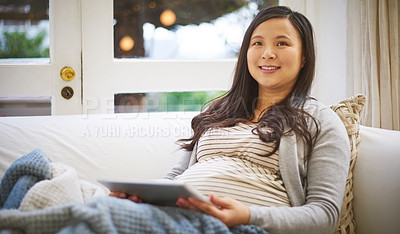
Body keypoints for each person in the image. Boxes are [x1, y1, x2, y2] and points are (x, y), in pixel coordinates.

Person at [110, 5, 350, 234]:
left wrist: (248, 215)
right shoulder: (218, 111)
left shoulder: (320, 121)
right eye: (257, 43)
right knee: (104, 207)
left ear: (304, 57)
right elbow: (175, 178)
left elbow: (325, 216)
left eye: (282, 43)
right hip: (178, 217)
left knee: (98, 216)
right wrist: (141, 197)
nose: (267, 53)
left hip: (245, 228)